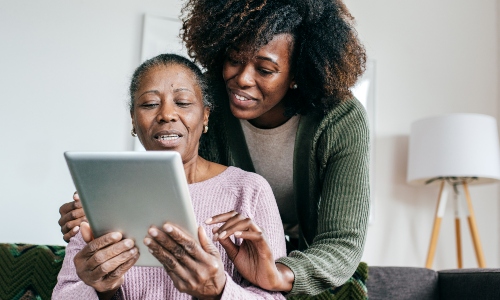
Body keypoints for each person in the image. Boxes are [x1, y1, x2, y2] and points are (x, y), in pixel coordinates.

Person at [58, 0, 370, 297]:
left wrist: (278, 274)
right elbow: (188, 190)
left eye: (265, 70)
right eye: (234, 60)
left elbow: (341, 242)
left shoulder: (340, 120)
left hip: (301, 258)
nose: (242, 79)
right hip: (235, 255)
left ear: (297, 75)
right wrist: (102, 210)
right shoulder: (210, 105)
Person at [53, 53, 287, 300]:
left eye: (183, 102)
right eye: (150, 104)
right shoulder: (101, 192)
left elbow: (274, 297)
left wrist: (217, 292)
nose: (167, 114)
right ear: (133, 119)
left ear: (205, 115)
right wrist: (103, 290)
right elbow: (62, 295)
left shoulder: (249, 190)